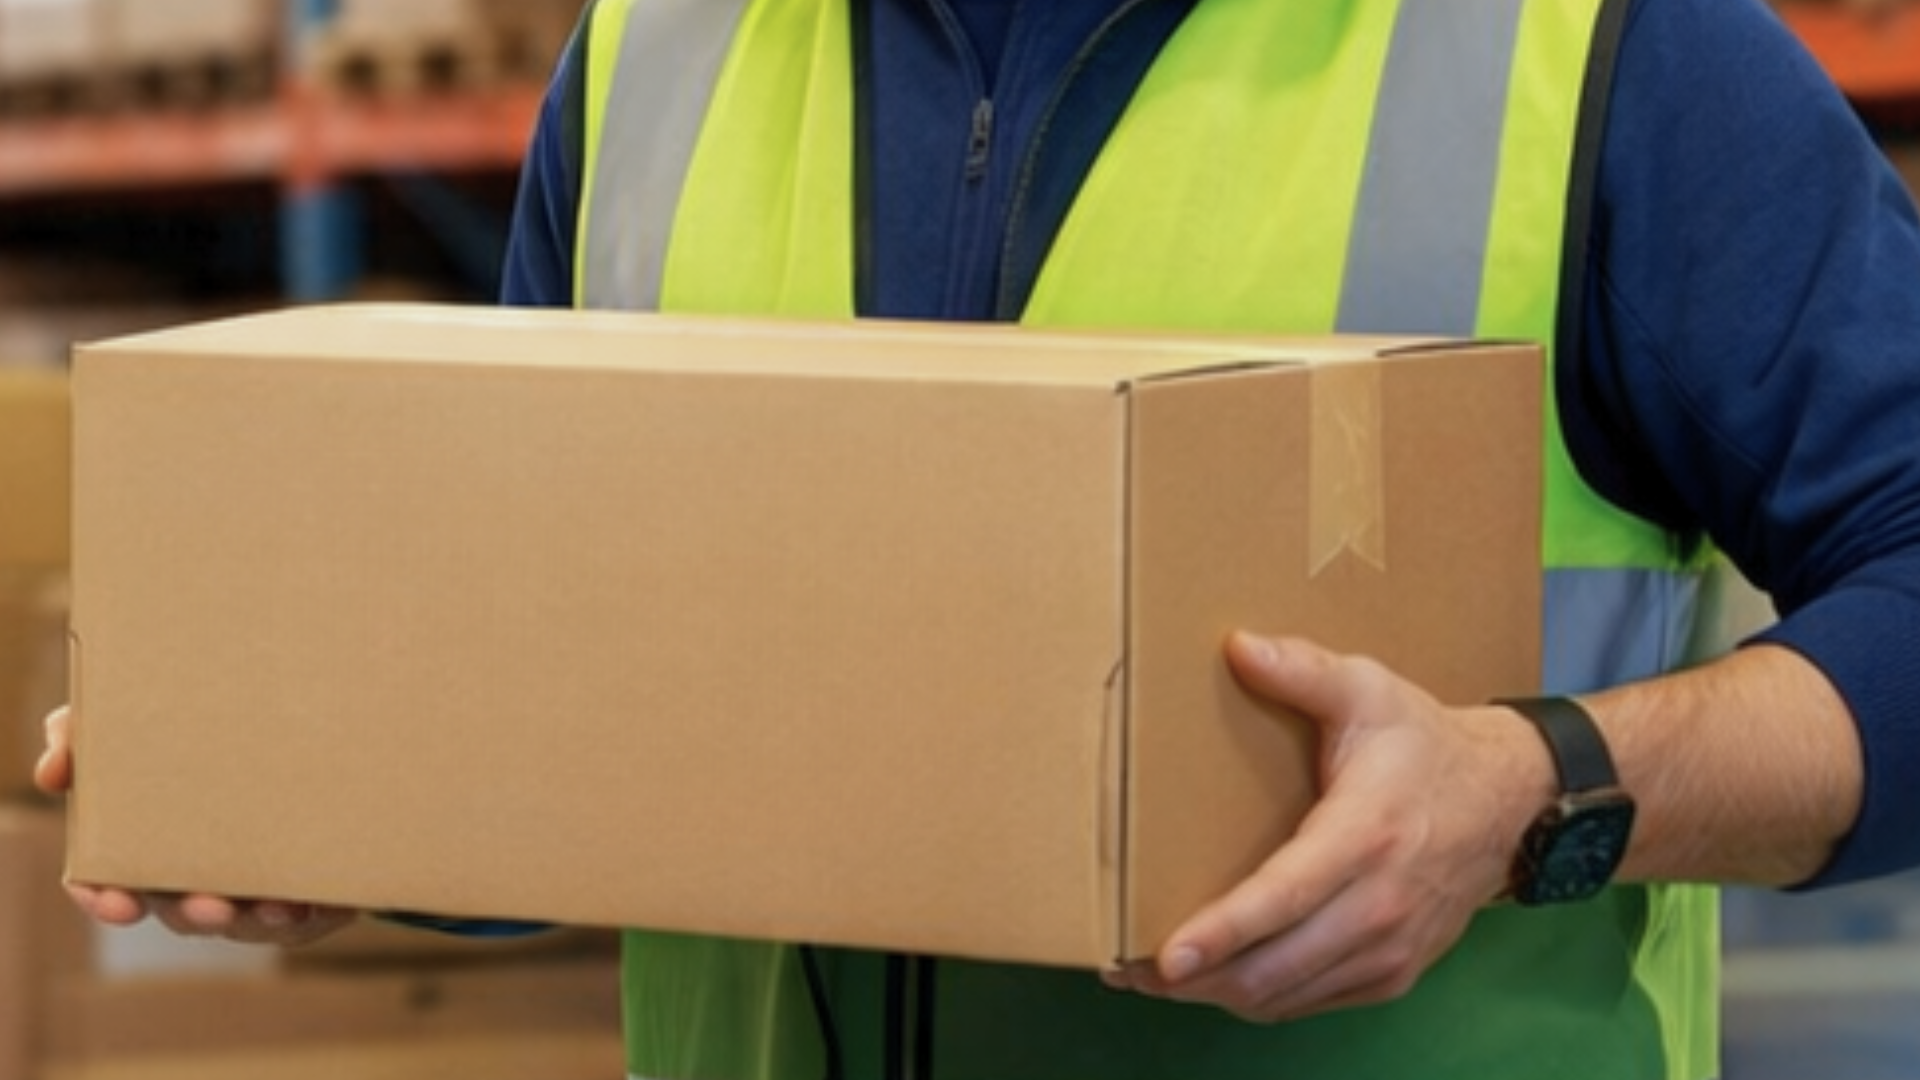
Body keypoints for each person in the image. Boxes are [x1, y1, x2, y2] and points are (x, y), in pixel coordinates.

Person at [35, 0, 1920, 1076]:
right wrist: (315, 794)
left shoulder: (1598, 53)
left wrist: (1531, 791)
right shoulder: (651, 56)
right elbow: (590, 733)